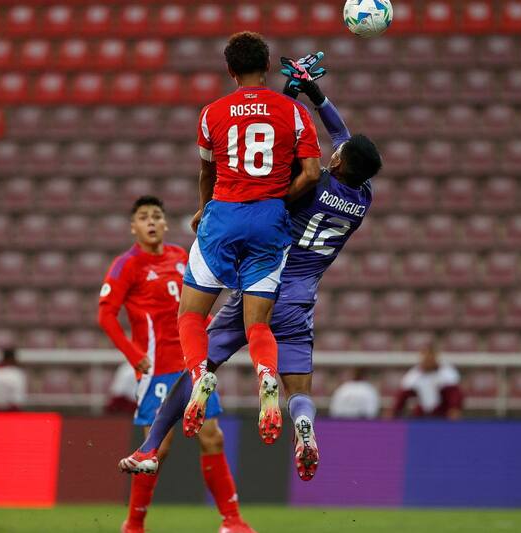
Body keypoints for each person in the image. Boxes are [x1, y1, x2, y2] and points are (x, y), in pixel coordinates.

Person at [121, 52, 381, 483]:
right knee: (299, 389)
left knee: (198, 362)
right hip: (300, 300)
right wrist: (312, 93)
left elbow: (280, 151)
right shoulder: (362, 196)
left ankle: (150, 447)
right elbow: (341, 138)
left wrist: (298, 94)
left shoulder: (310, 189)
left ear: (337, 161)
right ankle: (303, 425)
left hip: (265, 281)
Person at [178, 31, 323, 446]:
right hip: (269, 221)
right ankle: (265, 376)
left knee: (190, 315)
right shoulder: (292, 113)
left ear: (230, 69)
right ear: (266, 65)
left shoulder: (212, 113)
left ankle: (200, 374)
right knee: (258, 322)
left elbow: (207, 173)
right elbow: (312, 174)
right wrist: (276, 199)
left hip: (223, 216)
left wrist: (206, 208)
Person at [99, 196, 254, 533]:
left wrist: (214, 330)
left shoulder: (180, 257)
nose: (151, 221)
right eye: (143, 217)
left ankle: (232, 521)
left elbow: (193, 306)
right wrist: (133, 355)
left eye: (156, 216)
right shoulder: (127, 265)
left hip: (192, 364)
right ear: (133, 226)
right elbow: (106, 315)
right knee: (159, 449)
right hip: (157, 369)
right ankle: (134, 524)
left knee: (212, 438)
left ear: (166, 223)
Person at [392, 343, 464, 420]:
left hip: (443, 414)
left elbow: (455, 395)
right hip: (421, 414)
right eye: (425, 356)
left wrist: (454, 407)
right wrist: (394, 411)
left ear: (435, 357)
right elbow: (402, 396)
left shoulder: (447, 373)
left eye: (430, 356)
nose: (428, 359)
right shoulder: (414, 375)